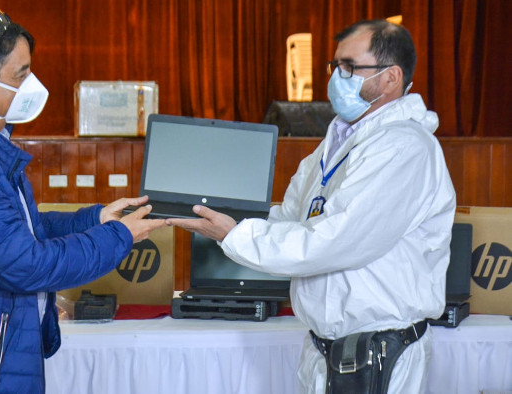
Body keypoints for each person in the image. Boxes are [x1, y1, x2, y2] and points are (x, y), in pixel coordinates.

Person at [168, 19, 455, 393]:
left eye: (350, 67)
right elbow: (290, 220)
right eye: (335, 66)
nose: (337, 77)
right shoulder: (336, 143)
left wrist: (236, 235)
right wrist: (222, 216)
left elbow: (335, 240)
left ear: (391, 77)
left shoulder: (403, 147)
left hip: (379, 353)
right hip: (325, 347)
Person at [0, 8, 165, 393]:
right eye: (20, 74)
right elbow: (25, 264)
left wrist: (97, 219)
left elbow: (17, 227)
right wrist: (118, 237)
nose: (31, 84)